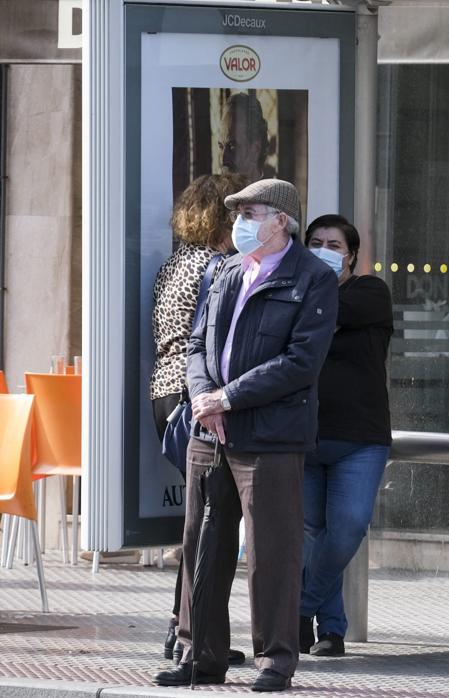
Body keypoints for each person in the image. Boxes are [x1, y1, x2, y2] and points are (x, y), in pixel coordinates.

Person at [153, 179, 337, 693]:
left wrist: (228, 398)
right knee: (199, 542)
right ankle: (198, 653)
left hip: (271, 435)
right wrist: (202, 395)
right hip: (209, 431)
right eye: (237, 213)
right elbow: (194, 343)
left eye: (250, 212)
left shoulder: (312, 278)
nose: (239, 222)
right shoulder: (227, 268)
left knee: (270, 551)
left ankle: (276, 660)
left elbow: (302, 362)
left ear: (281, 220)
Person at [149, 172, 247, 667]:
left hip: (165, 396)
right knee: (211, 523)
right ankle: (194, 631)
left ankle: (184, 628)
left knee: (199, 521)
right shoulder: (221, 266)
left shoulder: (174, 264)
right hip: (198, 401)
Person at [298, 215, 393, 657]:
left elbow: (328, 312)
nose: (324, 249)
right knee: (314, 533)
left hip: (359, 438)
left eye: (334, 244)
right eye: (315, 242)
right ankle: (331, 630)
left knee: (348, 528)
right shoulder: (298, 291)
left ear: (351, 254)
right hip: (305, 436)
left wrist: (305, 304)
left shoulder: (370, 292)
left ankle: (299, 608)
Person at [220, 92, 275, 183]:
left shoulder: (271, 195)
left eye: (232, 146)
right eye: (221, 147)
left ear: (255, 149)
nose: (223, 159)